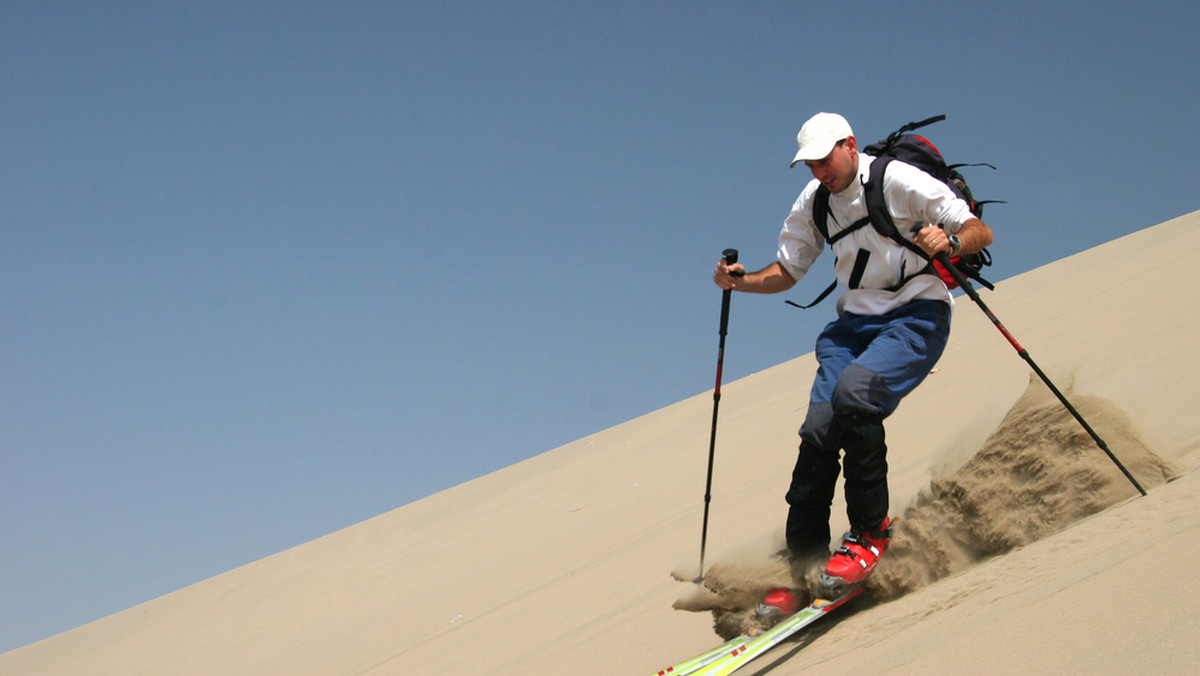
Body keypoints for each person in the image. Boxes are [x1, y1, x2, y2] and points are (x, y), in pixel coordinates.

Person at [712, 112, 993, 593]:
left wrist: (949, 240)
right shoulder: (815, 202)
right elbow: (786, 272)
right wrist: (738, 283)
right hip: (853, 327)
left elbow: (978, 232)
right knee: (819, 430)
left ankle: (870, 532)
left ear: (850, 145)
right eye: (811, 165)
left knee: (855, 396)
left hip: (916, 314)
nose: (820, 172)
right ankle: (801, 560)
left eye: (825, 160)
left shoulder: (896, 180)